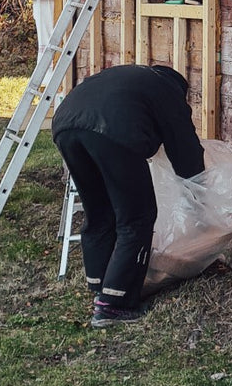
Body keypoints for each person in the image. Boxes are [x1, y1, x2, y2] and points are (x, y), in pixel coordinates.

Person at [51, 64, 205, 327]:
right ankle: (115, 304)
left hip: (65, 126)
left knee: (100, 211)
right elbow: (185, 149)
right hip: (112, 131)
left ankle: (100, 283)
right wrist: (199, 193)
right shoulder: (169, 92)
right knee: (137, 217)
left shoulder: (134, 79)